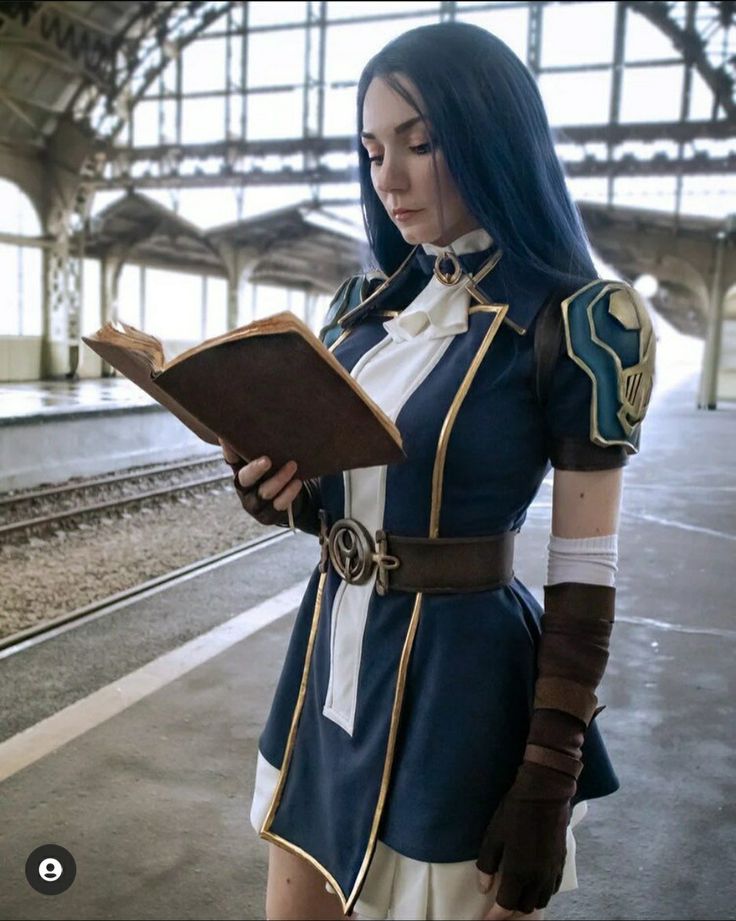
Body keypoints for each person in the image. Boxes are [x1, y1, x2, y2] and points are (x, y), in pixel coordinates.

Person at [221, 20, 656, 921]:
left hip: (464, 687)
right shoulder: (360, 309)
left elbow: (585, 569)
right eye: (374, 149)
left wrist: (548, 775)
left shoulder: (576, 321)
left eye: (422, 143)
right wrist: (282, 494)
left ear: (494, 135)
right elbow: (349, 497)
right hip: (329, 660)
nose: (390, 176)